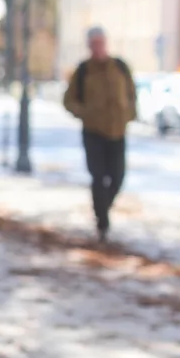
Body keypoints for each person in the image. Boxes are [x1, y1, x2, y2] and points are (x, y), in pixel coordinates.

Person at [62, 26, 136, 243]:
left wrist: (129, 114)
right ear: (89, 46)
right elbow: (69, 100)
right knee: (98, 176)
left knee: (117, 177)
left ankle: (102, 208)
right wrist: (85, 113)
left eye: (100, 42)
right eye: (94, 43)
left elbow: (132, 94)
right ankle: (102, 222)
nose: (97, 47)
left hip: (117, 131)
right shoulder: (83, 70)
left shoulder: (120, 67)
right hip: (93, 132)